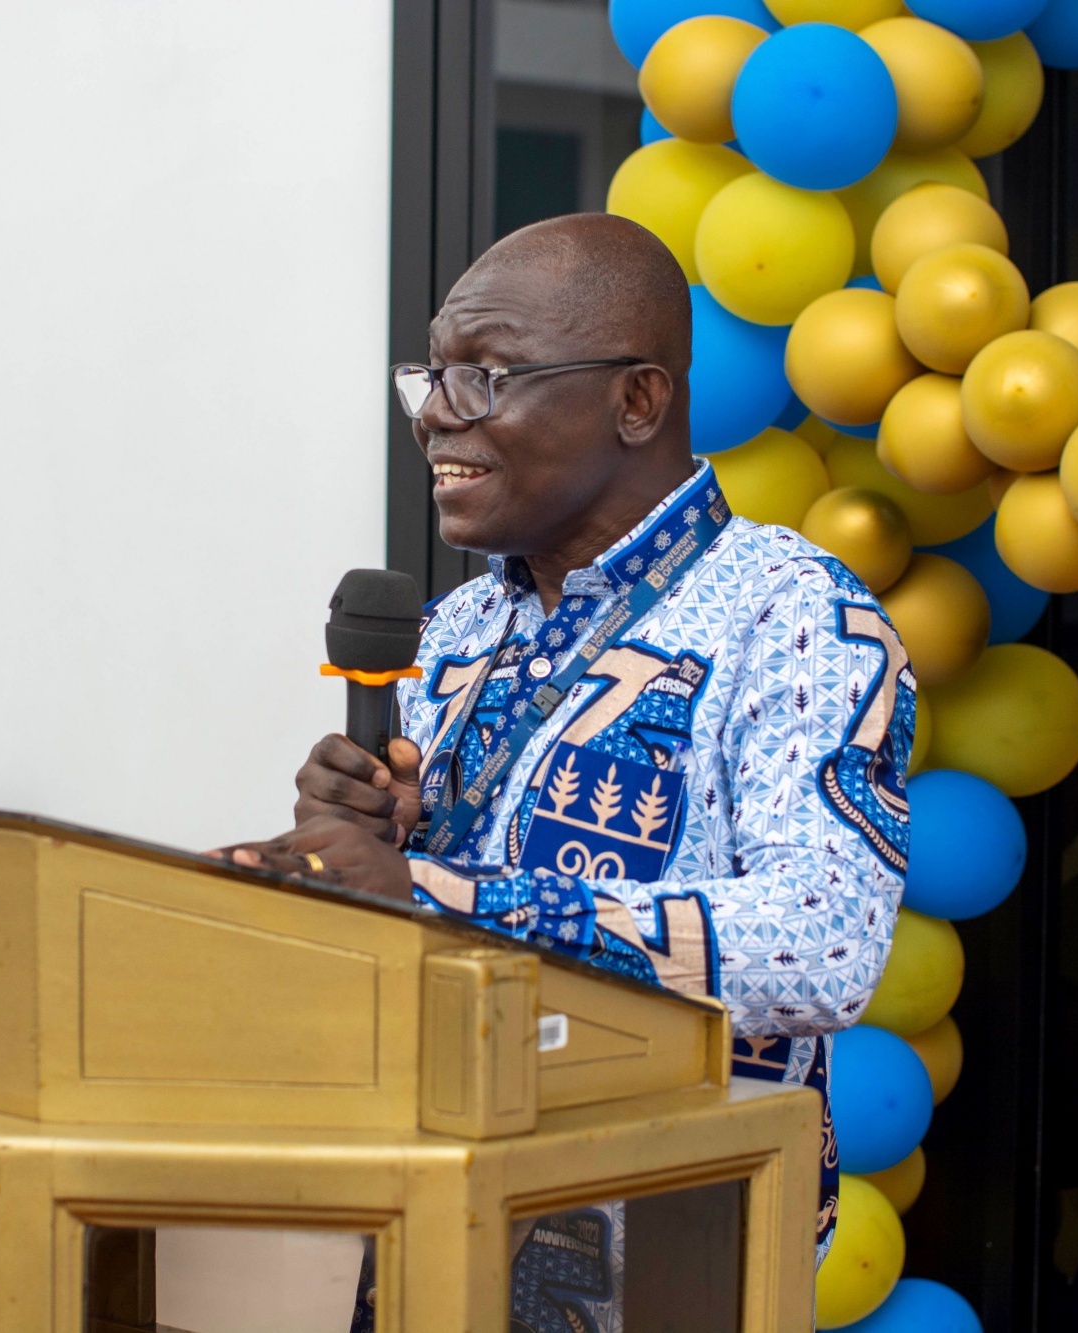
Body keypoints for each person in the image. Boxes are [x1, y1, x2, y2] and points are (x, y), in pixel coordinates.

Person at [218, 213, 910, 1328]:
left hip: (664, 1265)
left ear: (636, 401)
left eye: (484, 375)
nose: (438, 413)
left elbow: (821, 942)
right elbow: (428, 919)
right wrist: (367, 849)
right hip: (424, 1238)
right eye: (432, 377)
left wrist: (441, 896)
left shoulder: (796, 617)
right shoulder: (454, 628)